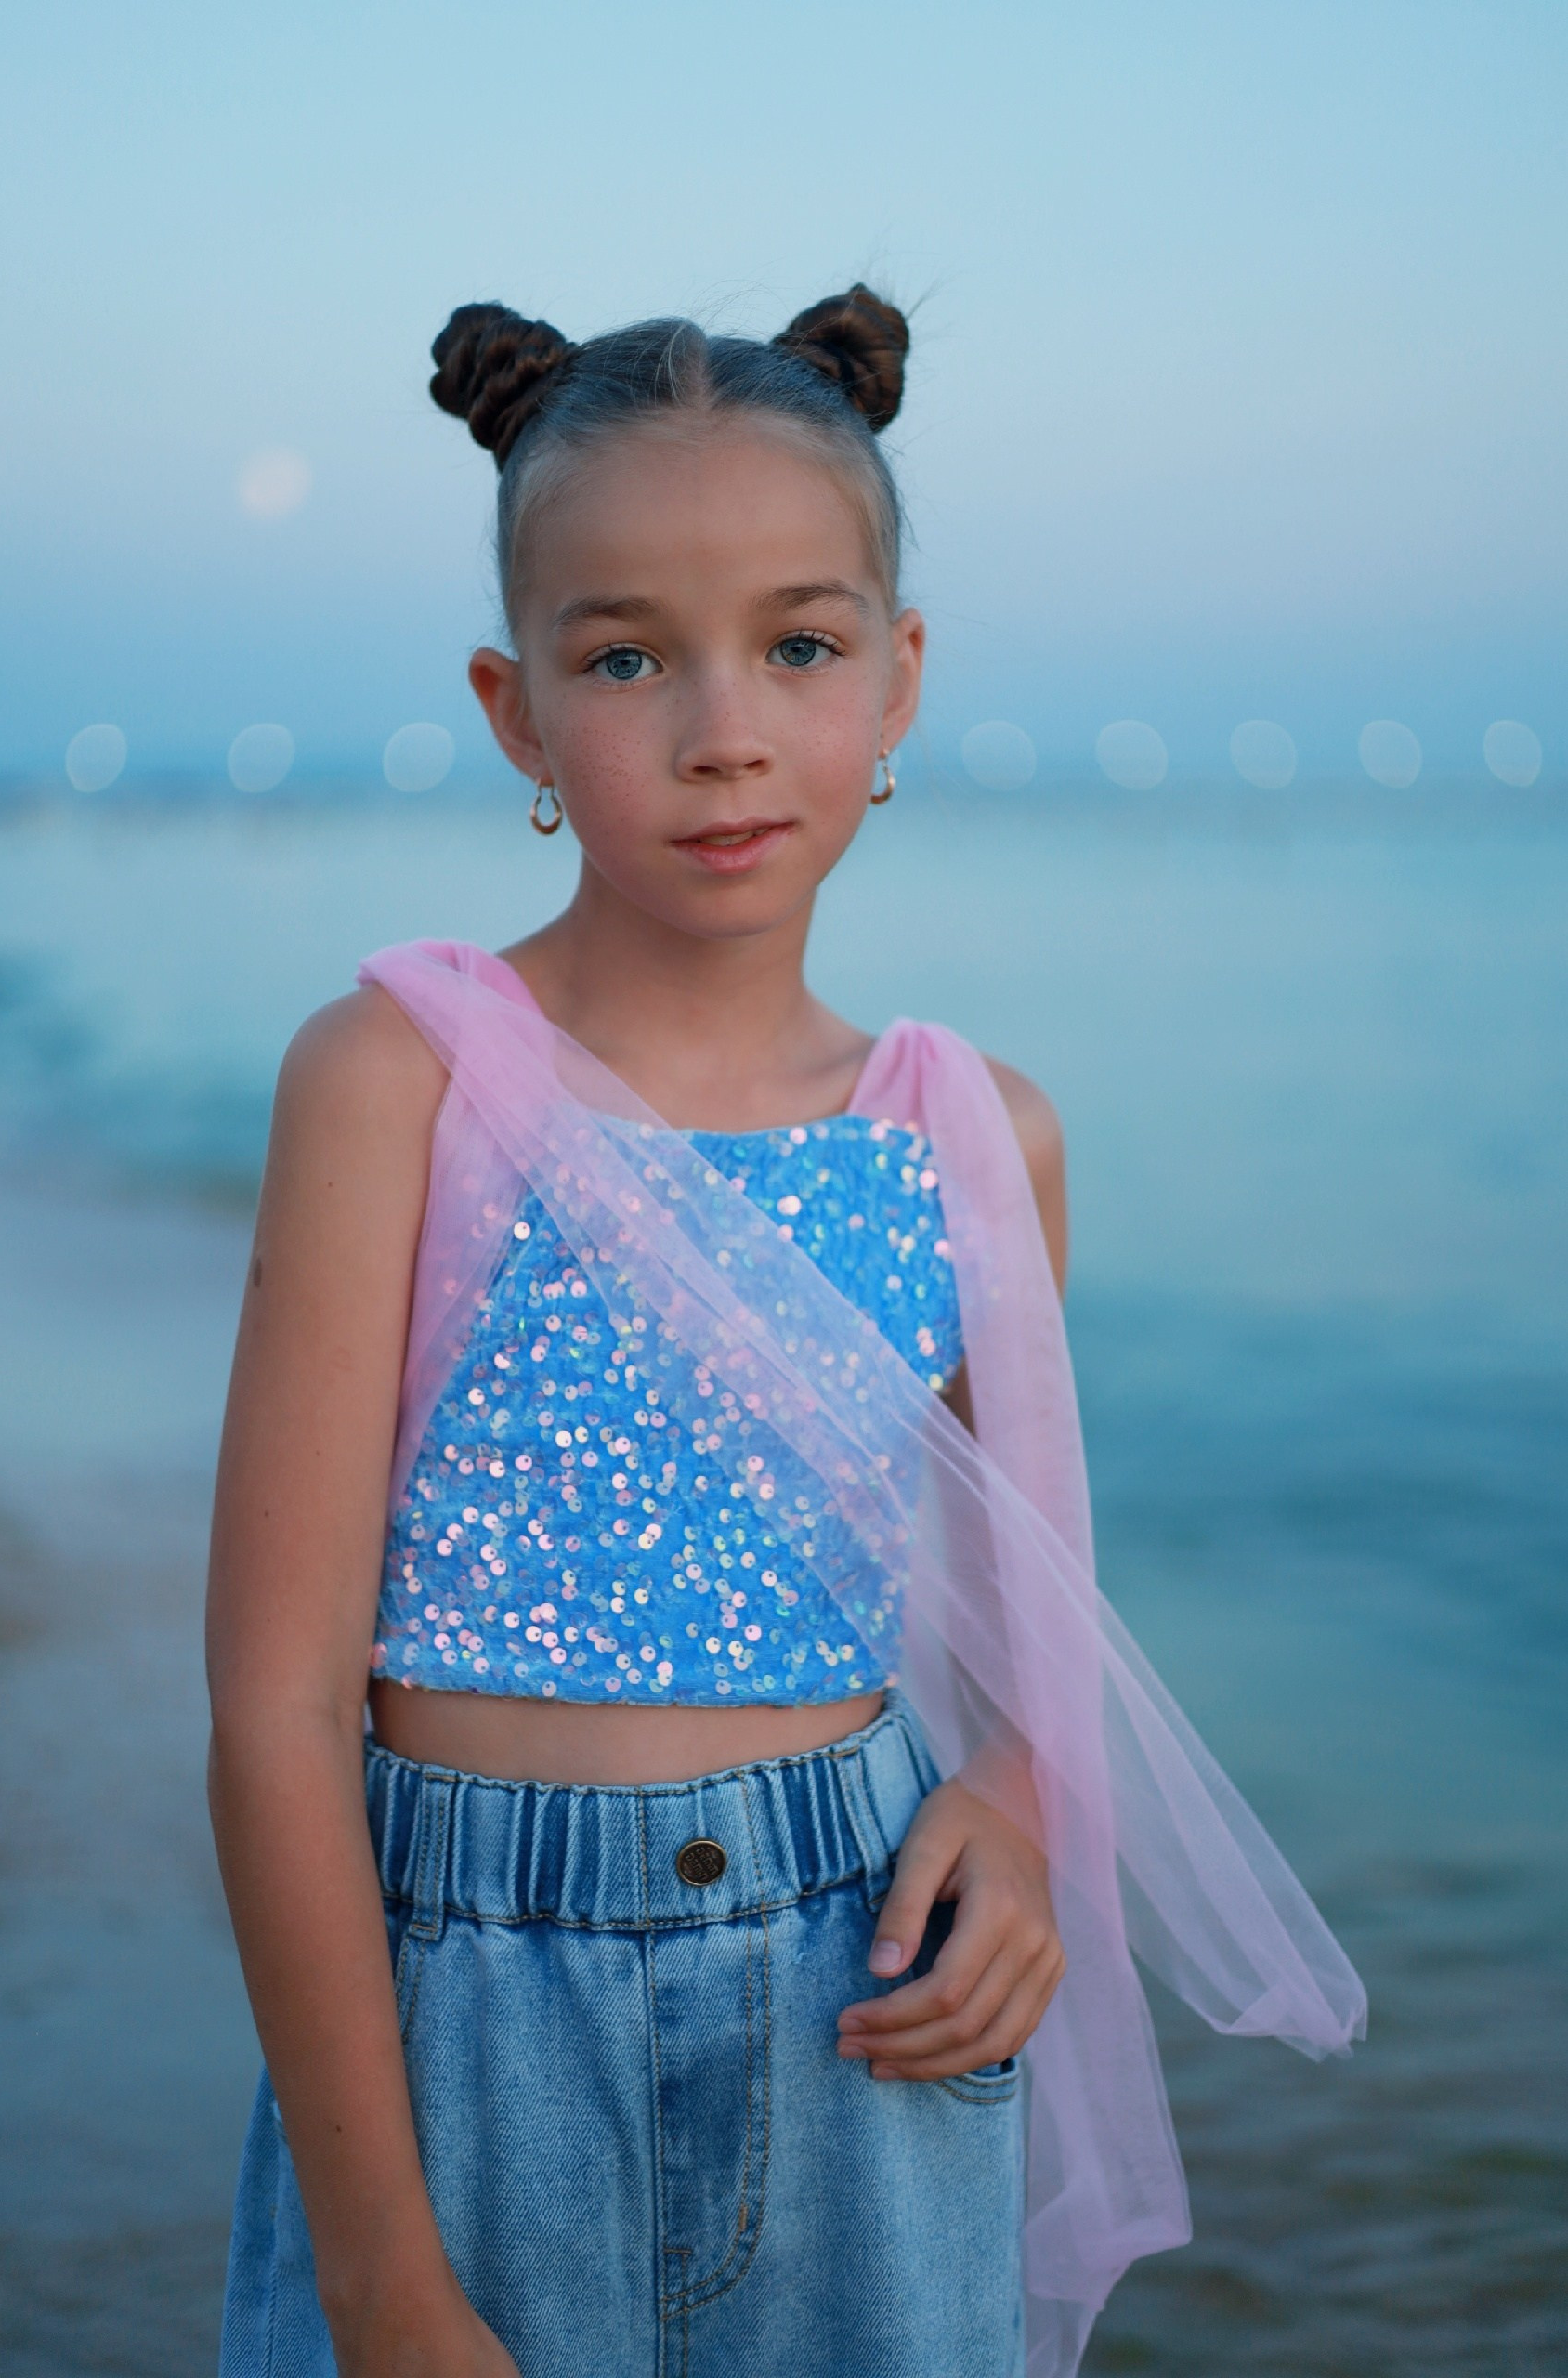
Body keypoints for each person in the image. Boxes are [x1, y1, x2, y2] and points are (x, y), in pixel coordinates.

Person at [208, 285, 1364, 2378]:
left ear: (900, 677)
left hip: (864, 2019)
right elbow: (277, 1709)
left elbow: (1025, 1631)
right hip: (468, 2036)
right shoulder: (398, 1081)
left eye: (800, 647)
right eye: (624, 657)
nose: (722, 730)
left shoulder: (972, 1138)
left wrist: (1017, 1805)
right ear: (512, 710)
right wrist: (382, 2279)